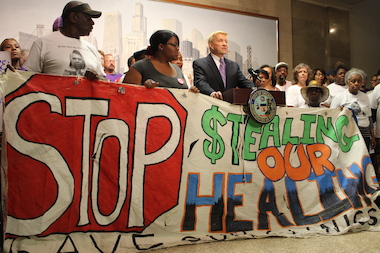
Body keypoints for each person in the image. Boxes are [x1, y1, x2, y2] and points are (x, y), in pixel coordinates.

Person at [23, 1, 104, 80]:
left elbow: (103, 81)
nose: (92, 23)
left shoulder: (92, 49)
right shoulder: (43, 43)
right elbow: (27, 80)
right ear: (73, 17)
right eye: (88, 18)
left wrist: (96, 79)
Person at [123, 30, 198, 93]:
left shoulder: (177, 69)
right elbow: (127, 95)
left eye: (178, 46)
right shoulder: (140, 67)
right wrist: (144, 89)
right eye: (174, 45)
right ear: (161, 46)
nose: (177, 49)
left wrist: (190, 93)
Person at [193, 31, 255, 100]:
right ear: (211, 45)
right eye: (220, 41)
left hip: (230, 107)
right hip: (210, 105)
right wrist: (212, 93)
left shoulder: (234, 66)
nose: (224, 44)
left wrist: (256, 89)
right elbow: (201, 83)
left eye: (226, 42)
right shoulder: (200, 63)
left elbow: (244, 82)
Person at [331, 68, 375, 152]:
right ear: (347, 82)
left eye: (359, 81)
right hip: (348, 133)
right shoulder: (340, 97)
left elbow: (369, 118)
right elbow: (332, 116)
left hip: (365, 133)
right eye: (353, 81)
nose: (356, 84)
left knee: (363, 157)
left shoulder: (365, 97)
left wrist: (372, 137)